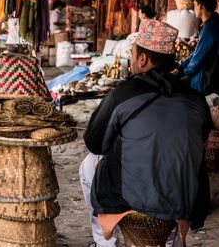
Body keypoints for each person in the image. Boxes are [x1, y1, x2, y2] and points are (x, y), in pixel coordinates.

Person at [79, 20, 211, 247]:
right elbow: (201, 141)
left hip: (133, 197)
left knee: (89, 164)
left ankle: (104, 243)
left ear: (142, 59)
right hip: (188, 199)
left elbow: (95, 143)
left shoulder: (124, 94)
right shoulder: (196, 99)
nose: (131, 58)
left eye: (132, 53)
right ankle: (175, 242)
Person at [173, 0, 219, 95]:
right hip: (212, 78)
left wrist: (180, 72)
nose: (194, 8)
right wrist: (180, 68)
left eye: (195, 5)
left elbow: (197, 60)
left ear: (201, 6)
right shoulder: (212, 24)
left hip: (211, 83)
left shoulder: (212, 29)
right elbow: (196, 54)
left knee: (176, 88)